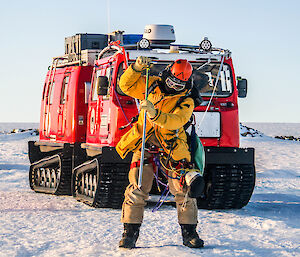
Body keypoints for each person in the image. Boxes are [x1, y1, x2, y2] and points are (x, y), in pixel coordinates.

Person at [116, 56, 204, 249]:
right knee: (137, 187)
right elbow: (126, 85)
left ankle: (189, 233)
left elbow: (177, 120)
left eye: (179, 84)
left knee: (183, 189)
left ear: (186, 83)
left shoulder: (187, 99)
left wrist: (156, 114)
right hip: (144, 140)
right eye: (172, 81)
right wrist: (136, 68)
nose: (174, 86)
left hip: (173, 144)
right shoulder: (150, 85)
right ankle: (129, 233)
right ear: (166, 74)